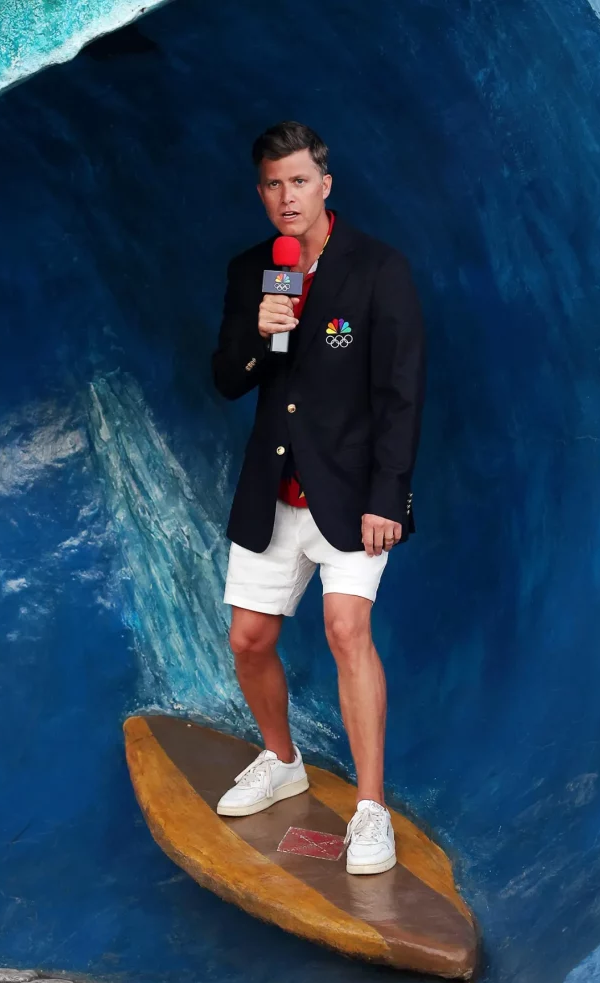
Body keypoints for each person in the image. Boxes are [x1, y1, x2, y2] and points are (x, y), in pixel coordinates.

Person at [211, 121, 425, 875]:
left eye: (299, 180)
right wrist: (257, 333)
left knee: (345, 629)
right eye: (273, 184)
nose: (286, 196)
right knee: (248, 640)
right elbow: (227, 379)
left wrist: (388, 497)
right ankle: (282, 761)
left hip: (353, 494)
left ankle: (370, 810)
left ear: (325, 184)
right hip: (274, 489)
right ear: (261, 191)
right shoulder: (254, 271)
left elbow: (401, 393)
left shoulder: (378, 268)